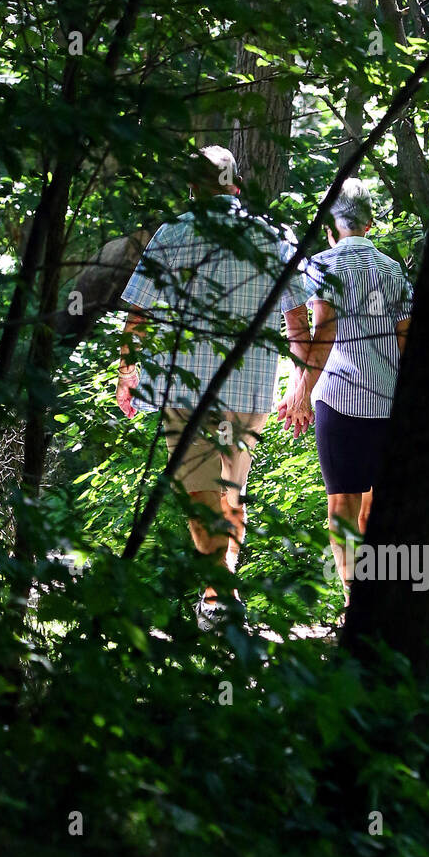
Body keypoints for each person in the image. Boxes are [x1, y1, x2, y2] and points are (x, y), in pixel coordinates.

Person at [117, 146, 310, 630]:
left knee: (200, 492)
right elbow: (297, 320)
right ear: (235, 185)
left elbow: (138, 316)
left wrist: (127, 372)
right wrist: (300, 383)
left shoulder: (172, 234)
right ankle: (221, 594)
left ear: (193, 187)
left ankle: (218, 592)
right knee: (231, 487)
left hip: (182, 390)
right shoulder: (273, 236)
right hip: (249, 390)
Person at [279, 179, 411, 602]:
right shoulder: (394, 270)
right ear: (370, 223)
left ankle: (355, 599)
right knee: (374, 505)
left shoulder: (320, 264)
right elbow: (407, 338)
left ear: (331, 226)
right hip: (388, 402)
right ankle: (375, 600)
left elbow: (320, 332)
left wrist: (300, 390)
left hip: (338, 400)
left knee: (342, 506)